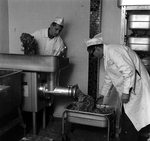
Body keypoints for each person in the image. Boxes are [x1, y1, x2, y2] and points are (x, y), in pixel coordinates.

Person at [85, 34, 150, 141]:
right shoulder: (108, 55)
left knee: (131, 119)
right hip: (131, 89)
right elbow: (109, 77)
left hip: (136, 88)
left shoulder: (113, 51)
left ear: (97, 48)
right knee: (130, 117)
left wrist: (126, 92)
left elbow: (128, 70)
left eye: (92, 54)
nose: (93, 57)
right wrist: (103, 94)